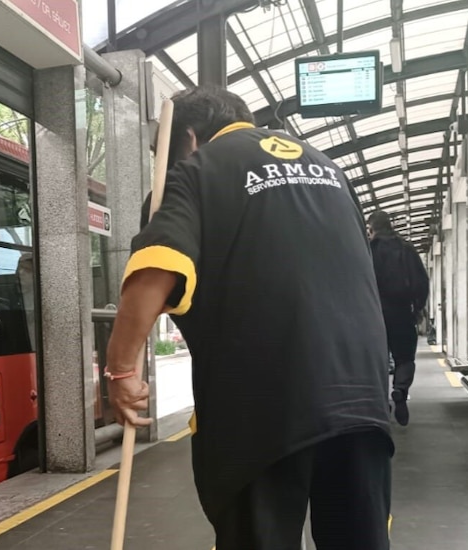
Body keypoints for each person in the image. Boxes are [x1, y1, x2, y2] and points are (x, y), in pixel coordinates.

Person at [105, 86, 393, 550]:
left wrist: (120, 370)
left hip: (264, 407)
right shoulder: (330, 169)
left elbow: (157, 265)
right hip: (361, 397)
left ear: (189, 139)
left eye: (162, 151)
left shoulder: (199, 170)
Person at [368, 210, 430, 426]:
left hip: (373, 313)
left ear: (372, 228)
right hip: (403, 311)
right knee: (405, 358)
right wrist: (419, 307)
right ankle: (400, 391)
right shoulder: (406, 249)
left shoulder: (368, 250)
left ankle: (380, 401)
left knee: (377, 359)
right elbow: (422, 281)